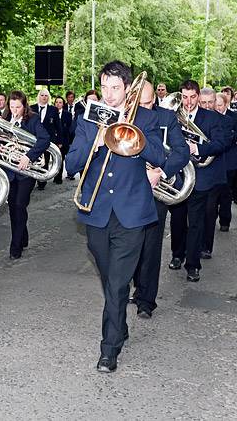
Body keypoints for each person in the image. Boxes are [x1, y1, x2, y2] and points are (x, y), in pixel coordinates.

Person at [66, 61, 165, 373]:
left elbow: (160, 157)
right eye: (104, 87)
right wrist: (94, 144)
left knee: (118, 283)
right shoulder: (88, 118)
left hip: (132, 213)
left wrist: (134, 140)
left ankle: (109, 349)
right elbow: (71, 163)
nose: (108, 95)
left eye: (115, 88)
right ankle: (119, 324)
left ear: (127, 89)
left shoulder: (145, 118)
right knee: (112, 281)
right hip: (96, 212)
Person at [132, 81, 189, 319]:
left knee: (152, 247)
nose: (143, 108)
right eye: (139, 103)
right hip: (130, 190)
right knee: (131, 244)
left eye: (147, 103)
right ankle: (137, 287)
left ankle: (147, 300)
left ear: (154, 98)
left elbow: (182, 151)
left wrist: (161, 172)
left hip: (156, 189)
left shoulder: (166, 117)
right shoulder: (127, 114)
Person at [168, 82, 230, 282]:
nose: (188, 102)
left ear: (198, 96)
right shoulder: (173, 117)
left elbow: (222, 143)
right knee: (177, 220)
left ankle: (193, 265)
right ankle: (177, 255)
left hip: (201, 178)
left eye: (192, 97)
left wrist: (198, 149)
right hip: (178, 177)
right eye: (184, 97)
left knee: (196, 223)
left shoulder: (212, 118)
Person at [2, 91, 50, 260]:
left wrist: (28, 156)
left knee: (20, 205)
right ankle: (23, 236)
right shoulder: (5, 119)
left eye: (18, 107)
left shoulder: (33, 119)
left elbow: (44, 139)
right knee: (13, 207)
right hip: (9, 170)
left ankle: (15, 246)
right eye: (12, 106)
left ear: (25, 106)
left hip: (26, 172)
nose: (15, 110)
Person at [200, 89, 235, 257]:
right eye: (203, 102)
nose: (207, 106)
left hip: (215, 172)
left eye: (210, 102)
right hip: (196, 171)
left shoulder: (226, 121)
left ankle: (206, 246)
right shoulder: (194, 118)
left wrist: (200, 148)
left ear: (215, 101)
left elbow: (223, 144)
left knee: (209, 210)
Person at [212, 92, 237, 232]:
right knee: (214, 192)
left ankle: (225, 221)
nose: (218, 108)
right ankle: (212, 217)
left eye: (220, 105)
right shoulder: (212, 117)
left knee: (226, 193)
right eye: (216, 105)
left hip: (230, 160)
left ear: (226, 104)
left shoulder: (234, 117)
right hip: (216, 160)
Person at [31, 88, 61, 190]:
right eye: (42, 95)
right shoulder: (31, 108)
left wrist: (59, 141)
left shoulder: (53, 110)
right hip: (33, 140)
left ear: (49, 98)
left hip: (48, 141)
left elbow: (58, 126)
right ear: (39, 96)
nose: (44, 97)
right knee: (33, 160)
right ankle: (32, 179)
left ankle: (42, 181)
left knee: (45, 161)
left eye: (46, 95)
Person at [54, 96, 72, 184]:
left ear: (63, 104)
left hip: (64, 140)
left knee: (61, 158)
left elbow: (69, 128)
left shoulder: (67, 114)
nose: (58, 104)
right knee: (54, 158)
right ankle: (54, 175)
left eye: (60, 102)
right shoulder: (51, 113)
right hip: (53, 140)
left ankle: (58, 177)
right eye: (56, 102)